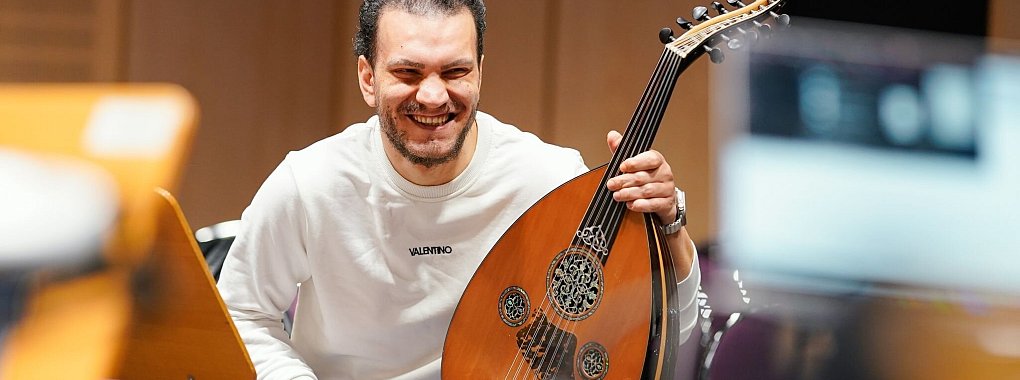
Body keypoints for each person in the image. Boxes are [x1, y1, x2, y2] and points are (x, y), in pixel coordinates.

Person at [217, 0, 702, 379]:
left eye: (454, 72)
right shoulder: (311, 184)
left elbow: (663, 336)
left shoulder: (549, 181)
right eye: (407, 73)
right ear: (368, 78)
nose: (432, 95)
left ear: (479, 72)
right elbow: (241, 315)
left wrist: (669, 229)